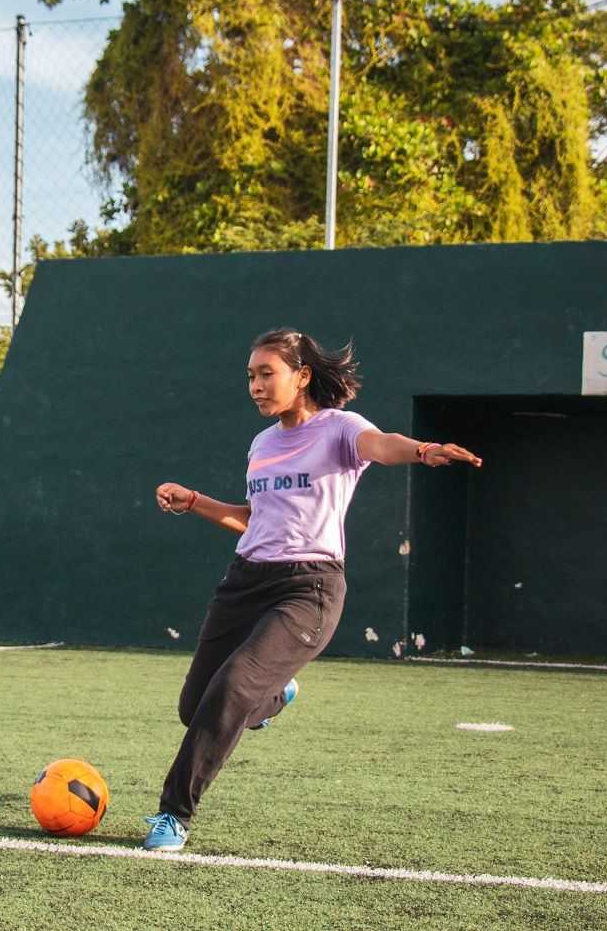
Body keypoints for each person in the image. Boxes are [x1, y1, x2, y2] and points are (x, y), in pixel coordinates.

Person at [143, 327, 482, 852]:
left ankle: (173, 815)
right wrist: (194, 502)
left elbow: (384, 445)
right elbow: (253, 518)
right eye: (250, 376)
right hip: (245, 581)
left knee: (231, 689)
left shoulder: (340, 429)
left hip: (308, 588)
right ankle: (278, 695)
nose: (255, 386)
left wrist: (424, 449)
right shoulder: (261, 444)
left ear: (302, 376)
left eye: (266, 374)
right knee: (197, 708)